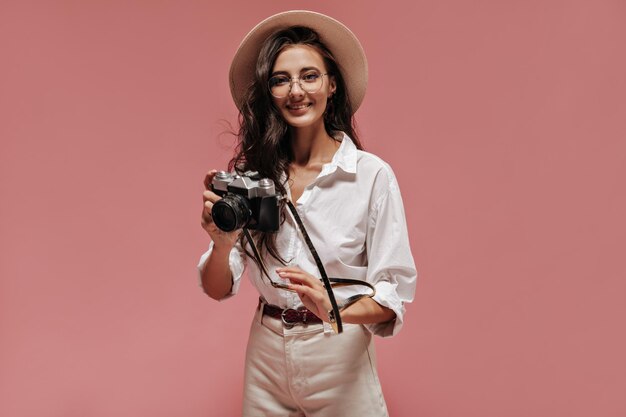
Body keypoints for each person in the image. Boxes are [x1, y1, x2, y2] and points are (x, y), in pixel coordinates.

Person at [198, 10, 417, 417]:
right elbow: (216, 287)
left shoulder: (370, 176)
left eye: (309, 76)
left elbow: (393, 295)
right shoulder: (254, 178)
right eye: (281, 80)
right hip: (266, 349)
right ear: (269, 92)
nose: (296, 90)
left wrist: (333, 307)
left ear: (332, 85)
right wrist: (221, 242)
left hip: (337, 347)